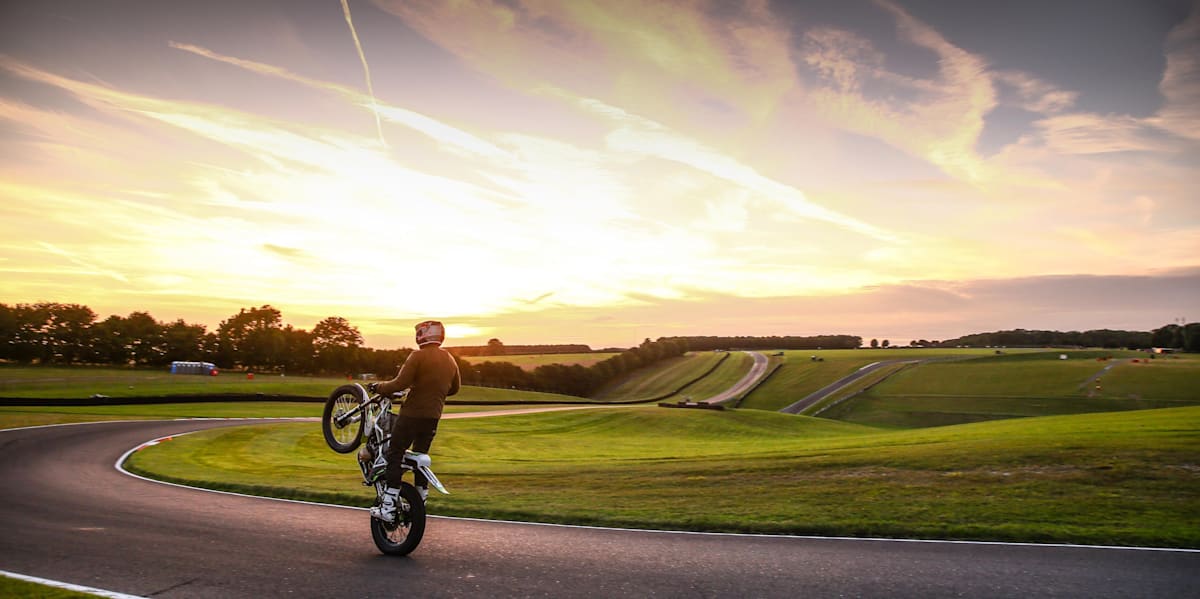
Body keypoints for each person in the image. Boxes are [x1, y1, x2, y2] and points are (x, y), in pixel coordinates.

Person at [367, 320, 460, 521]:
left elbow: (400, 383)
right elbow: (454, 388)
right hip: (433, 417)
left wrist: (379, 387)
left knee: (395, 453)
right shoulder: (450, 359)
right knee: (420, 457)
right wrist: (434, 390)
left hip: (411, 415)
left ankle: (388, 505)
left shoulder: (417, 356)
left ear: (422, 335)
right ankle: (419, 502)